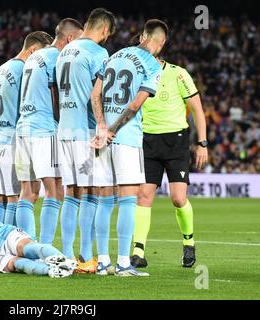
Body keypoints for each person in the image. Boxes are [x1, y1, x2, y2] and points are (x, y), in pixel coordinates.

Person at [90, 19, 167, 276]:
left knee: (103, 199)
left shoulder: (113, 56)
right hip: (126, 137)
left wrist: (102, 126)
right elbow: (134, 106)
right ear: (162, 42)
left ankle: (102, 262)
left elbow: (95, 94)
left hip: (102, 137)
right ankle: (123, 263)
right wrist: (114, 129)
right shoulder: (152, 65)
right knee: (127, 199)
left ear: (143, 35)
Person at [131, 57, 208, 269]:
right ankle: (138, 251)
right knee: (143, 196)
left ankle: (188, 242)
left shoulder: (178, 74)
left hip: (176, 142)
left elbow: (197, 110)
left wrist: (202, 143)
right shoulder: (137, 72)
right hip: (147, 140)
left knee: (178, 198)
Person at [55, 8, 116, 273]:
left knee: (72, 194)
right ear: (104, 30)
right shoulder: (98, 53)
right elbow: (98, 94)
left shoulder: (64, 52)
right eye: (108, 35)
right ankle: (86, 257)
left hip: (65, 130)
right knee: (91, 194)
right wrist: (103, 125)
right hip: (85, 133)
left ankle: (68, 256)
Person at [15, 19, 83, 244]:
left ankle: (26, 245)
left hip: (23, 128)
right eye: (79, 40)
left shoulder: (35, 56)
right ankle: (44, 249)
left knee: (27, 193)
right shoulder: (58, 57)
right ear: (71, 38)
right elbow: (56, 99)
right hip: (44, 129)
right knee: (54, 192)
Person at [0, 31, 53, 225]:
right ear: (33, 49)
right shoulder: (23, 70)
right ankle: (9, 245)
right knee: (20, 196)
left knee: (3, 198)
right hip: (12, 140)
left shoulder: (2, 68)